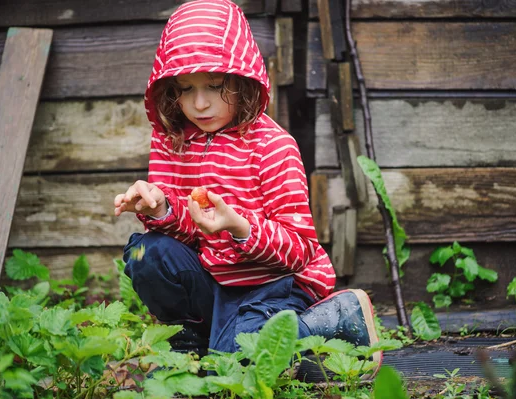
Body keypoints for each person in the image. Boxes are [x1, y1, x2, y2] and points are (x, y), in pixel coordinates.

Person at [113, 0, 381, 380]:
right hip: (214, 282)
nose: (199, 103)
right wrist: (160, 209)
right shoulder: (173, 141)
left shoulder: (272, 147)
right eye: (185, 89)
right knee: (146, 253)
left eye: (215, 86)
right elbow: (189, 233)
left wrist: (239, 226)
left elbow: (299, 250)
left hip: (274, 285)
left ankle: (334, 320)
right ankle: (191, 342)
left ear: (242, 79)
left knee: (239, 363)